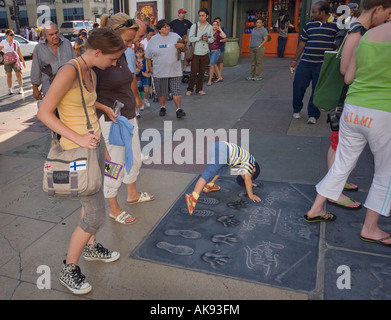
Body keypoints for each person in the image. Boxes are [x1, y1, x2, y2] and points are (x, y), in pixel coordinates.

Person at [37, 27, 126, 295]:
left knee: (92, 203)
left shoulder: (91, 71)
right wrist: (78, 137)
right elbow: (44, 112)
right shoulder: (69, 71)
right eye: (112, 59)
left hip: (93, 147)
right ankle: (68, 268)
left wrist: (103, 108)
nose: (115, 63)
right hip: (77, 151)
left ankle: (91, 246)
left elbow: (85, 104)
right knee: (96, 212)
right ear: (97, 52)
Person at [304, 21, 391, 246]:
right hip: (383, 110)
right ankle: (370, 227)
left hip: (353, 108)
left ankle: (316, 207)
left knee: (341, 163)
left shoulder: (368, 34)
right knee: (385, 173)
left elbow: (348, 77)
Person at [325, 0, 391, 210]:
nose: (387, 19)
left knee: (342, 149)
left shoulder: (364, 31)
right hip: (351, 99)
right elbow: (346, 70)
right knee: (339, 146)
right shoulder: (358, 31)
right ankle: (333, 192)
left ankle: (334, 187)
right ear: (378, 9)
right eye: (387, 14)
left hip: (355, 100)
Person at [95, 13, 154, 225]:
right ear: (114, 34)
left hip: (128, 117)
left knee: (135, 159)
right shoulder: (98, 58)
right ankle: (113, 207)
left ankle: (132, 194)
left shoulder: (120, 54)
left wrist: (136, 101)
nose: (132, 44)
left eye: (132, 39)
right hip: (110, 123)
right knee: (115, 165)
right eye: (128, 40)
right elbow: (83, 97)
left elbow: (128, 80)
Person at [289, 1, 339, 124]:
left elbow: (337, 44)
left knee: (317, 90)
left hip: (322, 65)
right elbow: (302, 42)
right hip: (306, 62)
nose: (312, 14)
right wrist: (295, 60)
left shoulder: (336, 25)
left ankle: (313, 114)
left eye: (314, 12)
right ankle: (297, 109)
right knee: (298, 86)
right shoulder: (309, 25)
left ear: (323, 12)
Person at [185, 141, 261, 216]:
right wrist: (251, 195)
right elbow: (247, 179)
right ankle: (193, 197)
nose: (245, 177)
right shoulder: (250, 162)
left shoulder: (242, 162)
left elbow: (247, 180)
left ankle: (210, 185)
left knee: (222, 167)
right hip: (223, 151)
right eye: (250, 176)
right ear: (254, 169)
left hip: (220, 148)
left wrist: (249, 183)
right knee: (209, 173)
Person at [145, 19, 186, 118]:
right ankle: (162, 107)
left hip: (175, 70)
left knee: (176, 90)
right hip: (160, 71)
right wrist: (150, 68)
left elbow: (185, 49)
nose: (167, 28)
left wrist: (182, 46)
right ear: (159, 29)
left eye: (168, 26)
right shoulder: (154, 40)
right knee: (162, 92)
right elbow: (148, 56)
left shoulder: (175, 36)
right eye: (164, 27)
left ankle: (178, 109)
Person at [31, 22, 76, 101]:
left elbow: (75, 64)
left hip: (69, 88)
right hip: (50, 90)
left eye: (56, 33)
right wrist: (35, 88)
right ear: (45, 36)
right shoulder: (39, 48)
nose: (55, 36)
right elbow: (36, 69)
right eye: (51, 35)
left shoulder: (66, 43)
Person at [186, 8, 214, 96]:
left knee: (202, 72)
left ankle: (199, 89)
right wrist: (199, 38)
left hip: (205, 52)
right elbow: (190, 38)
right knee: (193, 72)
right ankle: (190, 89)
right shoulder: (194, 26)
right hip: (195, 52)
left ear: (207, 16)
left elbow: (212, 39)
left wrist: (207, 39)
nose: (201, 17)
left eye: (203, 16)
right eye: (200, 16)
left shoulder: (209, 27)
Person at [0, 29, 26, 95]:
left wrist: (23, 61)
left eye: (13, 34)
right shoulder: (3, 42)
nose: (13, 36)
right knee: (9, 75)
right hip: (7, 61)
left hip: (15, 60)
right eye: (11, 35)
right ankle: (10, 89)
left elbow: (19, 53)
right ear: (7, 35)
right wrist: (3, 55)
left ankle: (20, 88)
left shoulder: (16, 42)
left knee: (18, 74)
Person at [246, 17, 268, 81]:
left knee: (259, 62)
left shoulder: (264, 30)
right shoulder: (254, 29)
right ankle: (252, 75)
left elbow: (266, 39)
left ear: (262, 23)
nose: (258, 24)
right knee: (253, 62)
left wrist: (260, 45)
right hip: (252, 47)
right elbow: (252, 37)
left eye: (259, 23)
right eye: (257, 22)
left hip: (259, 48)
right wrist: (250, 44)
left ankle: (258, 76)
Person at [207, 20, 226, 86]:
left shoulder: (218, 32)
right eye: (213, 24)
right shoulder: (209, 32)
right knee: (214, 64)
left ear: (218, 26)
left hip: (216, 50)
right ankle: (220, 77)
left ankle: (210, 80)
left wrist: (220, 28)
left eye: (216, 24)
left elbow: (224, 36)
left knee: (211, 65)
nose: (214, 26)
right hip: (209, 50)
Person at [135, 45, 151, 111]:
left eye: (141, 52)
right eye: (138, 52)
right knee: (140, 90)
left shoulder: (145, 60)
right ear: (135, 53)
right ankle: (141, 104)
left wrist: (147, 73)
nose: (139, 54)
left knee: (146, 90)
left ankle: (145, 99)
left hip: (144, 76)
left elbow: (147, 69)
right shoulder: (135, 61)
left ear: (143, 53)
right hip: (138, 77)